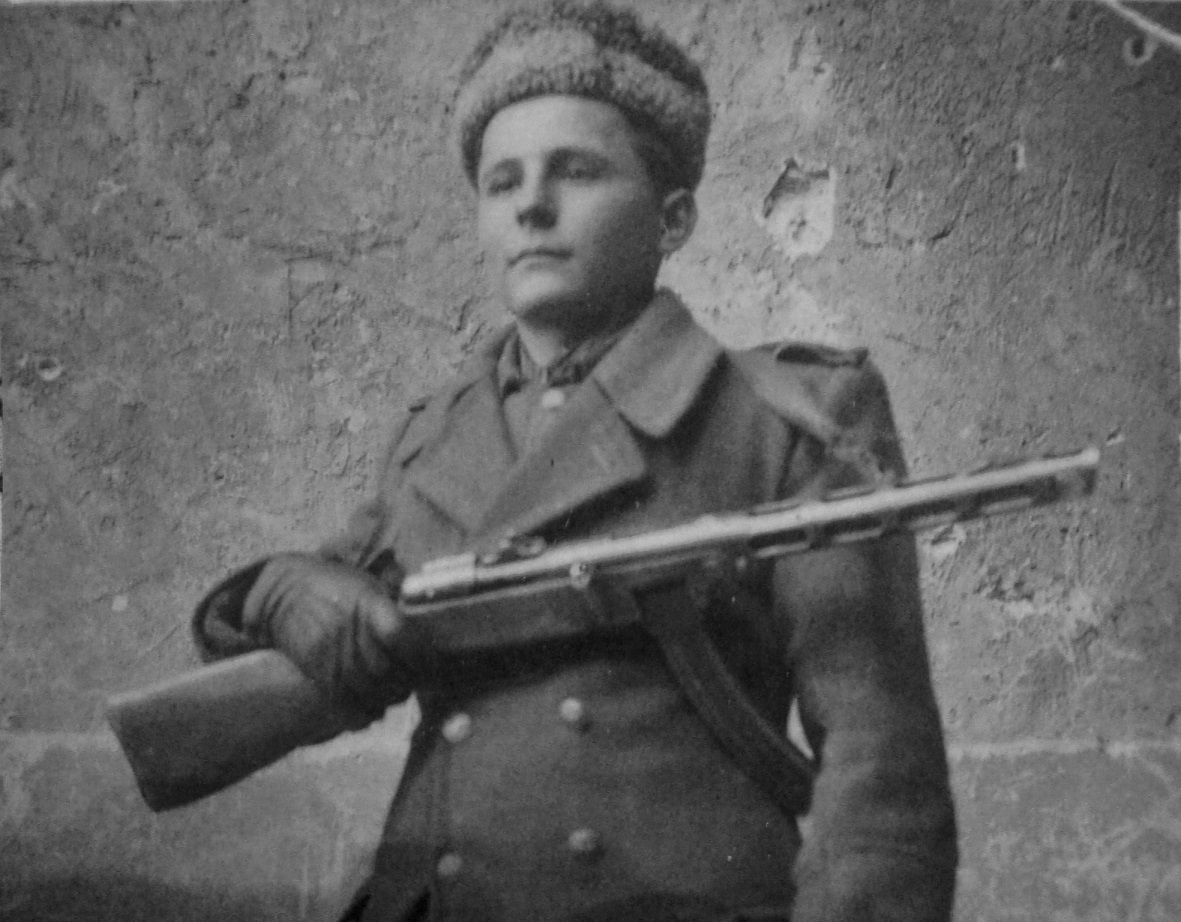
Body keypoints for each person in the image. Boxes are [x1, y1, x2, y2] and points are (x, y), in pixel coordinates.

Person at [192, 2, 958, 920]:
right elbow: (291, 624)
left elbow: (878, 769)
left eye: (578, 171)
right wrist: (280, 590)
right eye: (501, 182)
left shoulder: (788, 418)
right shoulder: (430, 439)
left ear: (672, 219)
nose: (531, 205)